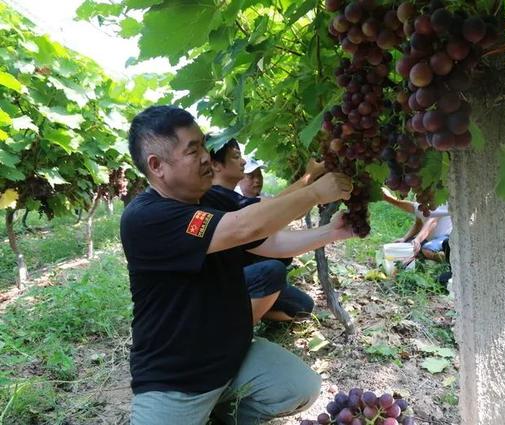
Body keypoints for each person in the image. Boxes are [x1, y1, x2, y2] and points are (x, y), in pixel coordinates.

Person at [121, 105, 354, 425]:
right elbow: (245, 227)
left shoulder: (214, 199)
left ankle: (221, 416)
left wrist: (332, 231)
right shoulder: (145, 218)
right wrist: (313, 191)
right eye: (193, 150)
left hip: (230, 357)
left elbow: (269, 240)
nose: (205, 156)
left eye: (202, 144)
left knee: (301, 388)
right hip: (175, 379)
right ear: (157, 166)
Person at [207, 136, 325, 321]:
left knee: (303, 307)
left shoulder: (229, 196)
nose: (243, 161)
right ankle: (235, 327)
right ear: (215, 165)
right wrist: (309, 179)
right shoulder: (214, 198)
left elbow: (278, 211)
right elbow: (274, 209)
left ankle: (254, 310)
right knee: (272, 270)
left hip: (243, 276)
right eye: (236, 156)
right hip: (221, 285)